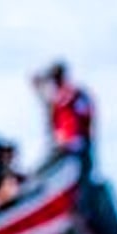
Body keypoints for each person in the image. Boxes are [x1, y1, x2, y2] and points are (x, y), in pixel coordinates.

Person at [32, 59, 95, 203]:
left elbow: (81, 118)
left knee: (80, 188)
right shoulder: (68, 96)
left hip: (74, 149)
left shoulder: (69, 96)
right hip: (73, 148)